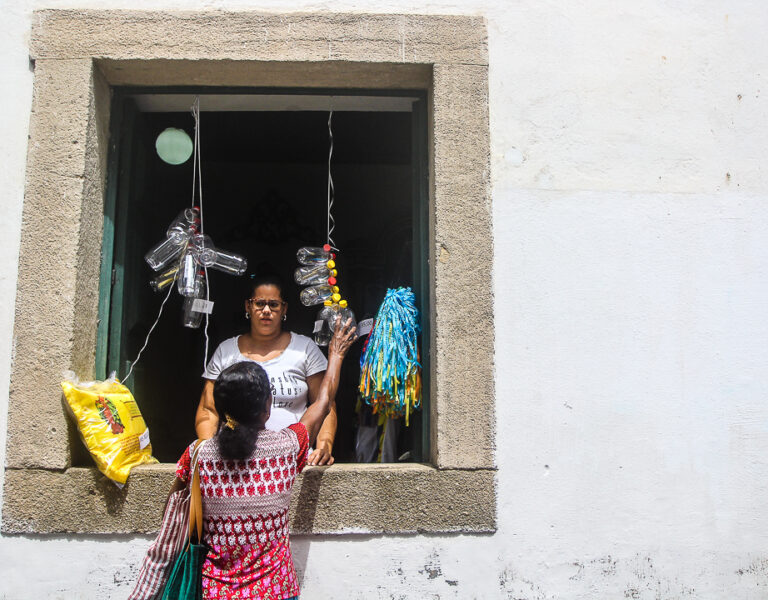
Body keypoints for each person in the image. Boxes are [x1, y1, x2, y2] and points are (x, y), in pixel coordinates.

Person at [174, 319, 356, 599]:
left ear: (221, 409)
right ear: (267, 409)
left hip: (215, 592)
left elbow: (174, 513)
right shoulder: (285, 448)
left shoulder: (197, 455)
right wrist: (336, 355)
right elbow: (322, 402)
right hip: (276, 591)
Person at [196, 274, 340, 465]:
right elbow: (208, 409)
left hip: (293, 461)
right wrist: (209, 453)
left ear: (284, 309)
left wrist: (324, 447)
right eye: (259, 303)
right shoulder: (226, 351)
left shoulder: (304, 349)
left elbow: (325, 404)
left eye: (273, 304)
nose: (266, 310)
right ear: (248, 306)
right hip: (235, 462)